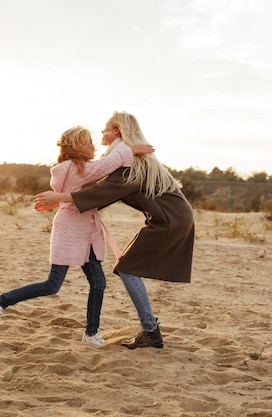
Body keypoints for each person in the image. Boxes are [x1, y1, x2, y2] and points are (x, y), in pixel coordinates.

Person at [35, 111, 194, 349]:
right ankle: (150, 330)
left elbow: (97, 194)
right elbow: (99, 197)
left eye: (105, 128)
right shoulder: (126, 161)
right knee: (127, 266)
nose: (101, 133)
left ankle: (150, 331)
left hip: (169, 219)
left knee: (128, 268)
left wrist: (57, 196)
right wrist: (59, 202)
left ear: (117, 131)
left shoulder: (131, 166)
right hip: (170, 217)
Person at [0, 125, 153, 347]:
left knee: (98, 283)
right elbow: (103, 166)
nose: (93, 145)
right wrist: (131, 150)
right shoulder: (73, 167)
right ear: (77, 145)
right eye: (88, 142)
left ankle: (91, 334)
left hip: (87, 230)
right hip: (70, 229)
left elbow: (96, 173)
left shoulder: (81, 168)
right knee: (53, 284)